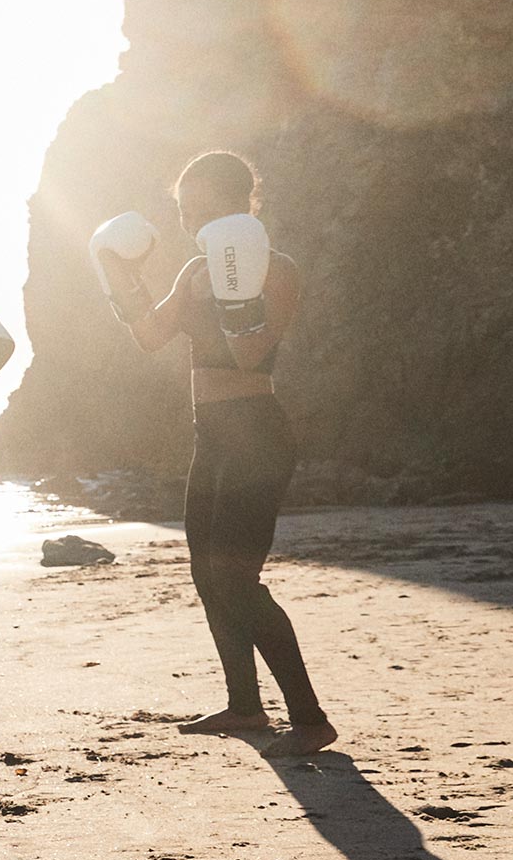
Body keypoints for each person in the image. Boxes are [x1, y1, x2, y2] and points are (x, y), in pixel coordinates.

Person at [90, 150, 336, 758]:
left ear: (236, 202)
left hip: (257, 432)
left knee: (236, 575)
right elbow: (149, 336)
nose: (186, 218)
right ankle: (246, 706)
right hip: (212, 434)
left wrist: (230, 293)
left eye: (197, 207)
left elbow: (251, 354)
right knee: (207, 573)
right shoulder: (194, 270)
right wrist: (116, 274)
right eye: (181, 209)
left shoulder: (277, 269)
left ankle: (309, 717)